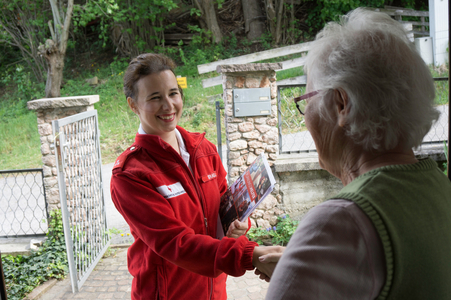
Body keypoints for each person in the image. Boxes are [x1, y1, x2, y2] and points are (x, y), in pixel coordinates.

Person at [261, 8, 451, 299]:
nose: (304, 116)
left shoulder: (340, 221)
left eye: (306, 99)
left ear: (341, 104)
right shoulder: (440, 188)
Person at [110, 53, 281, 300]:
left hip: (214, 291)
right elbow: (175, 243)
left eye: (173, 93)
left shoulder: (203, 150)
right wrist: (250, 255)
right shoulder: (130, 175)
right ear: (133, 105)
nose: (168, 105)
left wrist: (237, 226)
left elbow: (224, 207)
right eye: (155, 98)